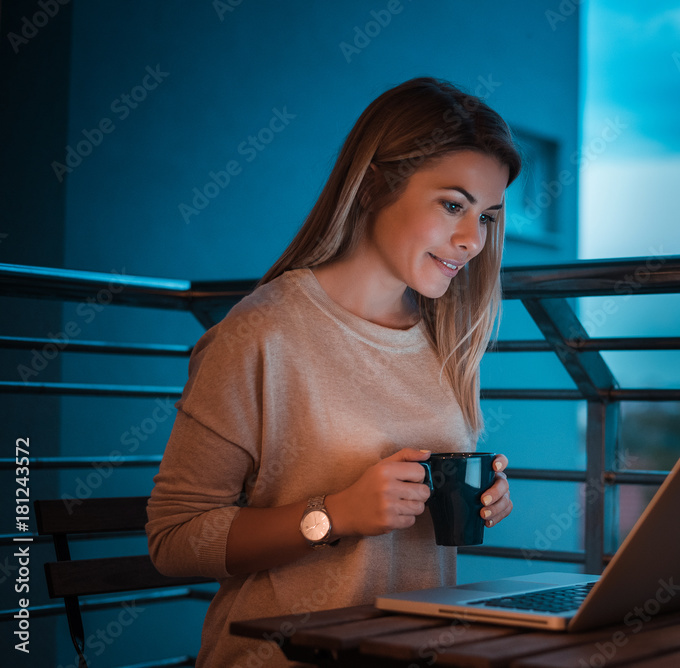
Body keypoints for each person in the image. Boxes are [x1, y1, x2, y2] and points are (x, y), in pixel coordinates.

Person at [146, 77, 521, 668]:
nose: (473, 240)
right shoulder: (262, 334)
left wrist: (486, 499)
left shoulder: (447, 338)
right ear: (375, 185)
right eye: (453, 205)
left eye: (488, 217)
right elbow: (173, 541)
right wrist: (333, 516)